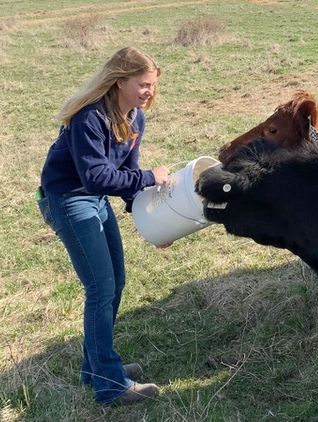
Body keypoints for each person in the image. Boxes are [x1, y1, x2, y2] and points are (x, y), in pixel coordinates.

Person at [37, 46, 170, 406]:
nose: (149, 92)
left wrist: (153, 224)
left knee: (116, 280)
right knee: (101, 287)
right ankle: (109, 384)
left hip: (94, 199)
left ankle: (94, 366)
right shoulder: (88, 117)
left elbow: (126, 177)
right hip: (67, 199)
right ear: (120, 81)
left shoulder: (136, 117)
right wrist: (149, 177)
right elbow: (96, 176)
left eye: (153, 85)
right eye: (143, 84)